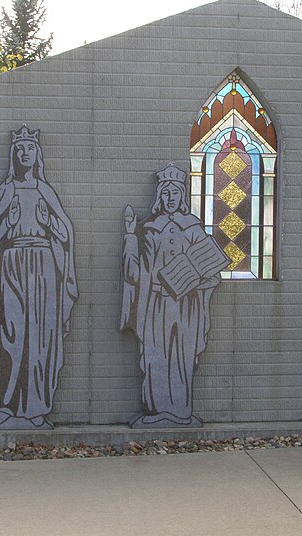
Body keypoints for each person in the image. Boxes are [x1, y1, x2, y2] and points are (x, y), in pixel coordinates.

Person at [0, 125, 77, 430]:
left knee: (40, 336)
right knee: (11, 333)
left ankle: (36, 407)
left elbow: (65, 236)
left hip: (43, 267)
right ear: (14, 155)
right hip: (11, 265)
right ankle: (6, 406)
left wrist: (50, 224)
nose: (25, 154)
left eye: (30, 149)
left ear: (37, 154)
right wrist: (6, 225)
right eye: (20, 149)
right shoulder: (4, 191)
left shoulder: (45, 191)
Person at [121, 164, 228, 428]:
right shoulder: (148, 229)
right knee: (154, 354)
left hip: (186, 304)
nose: (171, 198)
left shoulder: (192, 228)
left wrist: (197, 280)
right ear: (160, 195)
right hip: (155, 302)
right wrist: (130, 235)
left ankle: (180, 411)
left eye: (176, 193)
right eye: (166, 193)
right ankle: (155, 411)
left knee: (181, 355)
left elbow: (211, 270)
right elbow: (135, 273)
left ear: (182, 195)